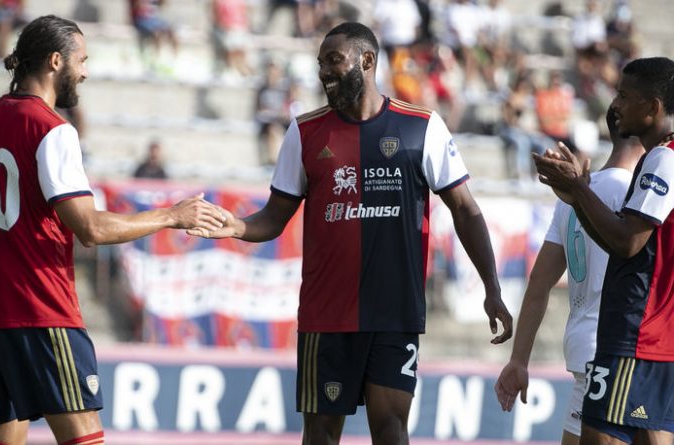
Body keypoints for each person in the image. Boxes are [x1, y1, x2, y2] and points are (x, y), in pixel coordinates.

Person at [190, 22, 513, 444]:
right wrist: (236, 225)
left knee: (391, 430)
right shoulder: (304, 133)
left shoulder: (422, 128)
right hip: (326, 316)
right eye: (320, 63)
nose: (324, 71)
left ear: (367, 60)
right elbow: (275, 215)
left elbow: (466, 211)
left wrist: (491, 286)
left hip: (395, 313)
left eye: (333, 61)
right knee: (321, 435)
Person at [0, 15, 224, 445]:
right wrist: (174, 215)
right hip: (42, 310)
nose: (86, 71)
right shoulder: (52, 130)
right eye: (82, 60)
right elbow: (91, 229)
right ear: (56, 61)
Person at [533, 56, 674, 445]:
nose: (615, 104)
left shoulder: (662, 159)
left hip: (635, 337)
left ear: (653, 108)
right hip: (655, 338)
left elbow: (627, 242)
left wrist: (579, 189)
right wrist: (577, 196)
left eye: (625, 96)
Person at [494, 106, 644, 445]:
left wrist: (519, 359)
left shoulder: (574, 196)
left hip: (582, 351)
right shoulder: (638, 196)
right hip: (619, 354)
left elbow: (538, 284)